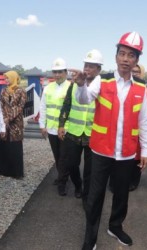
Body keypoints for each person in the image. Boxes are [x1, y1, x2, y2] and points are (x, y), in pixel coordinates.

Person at [74, 32, 147, 249]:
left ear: (137, 60)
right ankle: (90, 239)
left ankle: (115, 226)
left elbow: (144, 120)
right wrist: (81, 85)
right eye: (122, 54)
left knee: (121, 194)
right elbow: (85, 99)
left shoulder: (142, 87)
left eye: (131, 56)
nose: (126, 59)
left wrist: (145, 149)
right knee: (95, 197)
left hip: (126, 153)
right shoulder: (102, 80)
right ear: (116, 56)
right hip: (101, 151)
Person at [57, 49, 102, 200]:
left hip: (92, 134)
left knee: (90, 168)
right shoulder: (74, 85)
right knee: (71, 164)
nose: (87, 69)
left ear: (99, 69)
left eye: (91, 66)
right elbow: (66, 105)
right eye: (86, 65)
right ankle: (78, 185)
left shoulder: (103, 87)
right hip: (74, 132)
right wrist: (61, 124)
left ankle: (86, 193)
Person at [39, 58, 71, 190]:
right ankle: (61, 175)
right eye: (55, 72)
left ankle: (62, 182)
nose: (57, 75)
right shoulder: (48, 88)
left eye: (60, 72)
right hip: (52, 128)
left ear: (65, 72)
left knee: (64, 156)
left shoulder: (71, 87)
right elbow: (43, 107)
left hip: (66, 129)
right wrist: (42, 125)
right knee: (57, 156)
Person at [129, 64, 147, 191]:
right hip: (122, 131)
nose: (134, 74)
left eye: (137, 72)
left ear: (142, 74)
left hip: (138, 131)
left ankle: (134, 181)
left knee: (137, 159)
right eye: (132, 71)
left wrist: (140, 123)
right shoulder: (123, 87)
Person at [0, 70, 27, 178]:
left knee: (15, 147)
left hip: (16, 124)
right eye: (5, 78)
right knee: (5, 146)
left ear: (13, 78)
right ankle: (5, 170)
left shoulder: (21, 91)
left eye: (8, 78)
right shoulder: (3, 90)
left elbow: (20, 106)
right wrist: (3, 119)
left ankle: (17, 172)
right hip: (5, 122)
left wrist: (9, 118)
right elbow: (1, 105)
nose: (6, 80)